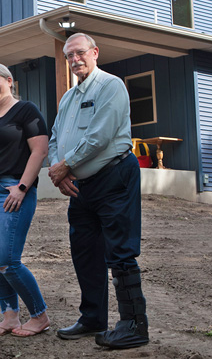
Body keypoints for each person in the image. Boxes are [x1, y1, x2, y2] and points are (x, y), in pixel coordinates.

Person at [48, 33, 149, 349]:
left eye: (79, 52)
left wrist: (66, 166)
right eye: (68, 55)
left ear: (95, 52)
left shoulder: (111, 86)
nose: (74, 59)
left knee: (119, 250)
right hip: (81, 186)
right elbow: (55, 139)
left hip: (114, 177)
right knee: (85, 251)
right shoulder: (68, 97)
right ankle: (93, 318)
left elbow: (100, 136)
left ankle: (134, 325)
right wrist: (60, 170)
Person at [0, 63, 50, 338]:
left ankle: (39, 315)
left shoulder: (27, 110)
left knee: (7, 259)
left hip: (11, 193)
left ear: (9, 81)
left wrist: (21, 187)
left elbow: (39, 151)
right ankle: (9, 317)